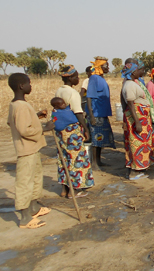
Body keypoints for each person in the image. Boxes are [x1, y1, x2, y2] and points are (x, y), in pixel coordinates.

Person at [8, 73, 54, 229]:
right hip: (26, 150)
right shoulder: (20, 106)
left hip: (32, 149)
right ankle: (25, 218)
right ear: (21, 86)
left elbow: (13, 122)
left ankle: (34, 208)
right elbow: (24, 129)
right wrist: (44, 128)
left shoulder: (17, 104)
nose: (31, 86)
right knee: (25, 183)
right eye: (29, 83)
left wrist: (35, 116)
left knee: (35, 178)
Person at [54, 65, 94, 198]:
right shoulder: (73, 93)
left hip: (61, 131)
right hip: (72, 130)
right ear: (70, 78)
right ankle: (74, 190)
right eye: (76, 76)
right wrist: (85, 129)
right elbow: (78, 114)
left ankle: (64, 189)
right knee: (75, 158)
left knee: (63, 157)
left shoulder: (59, 91)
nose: (78, 79)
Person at [121, 63, 154, 180]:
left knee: (142, 143)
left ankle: (138, 168)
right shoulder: (129, 85)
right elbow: (130, 103)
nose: (142, 72)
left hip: (141, 118)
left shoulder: (132, 83)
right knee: (138, 144)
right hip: (137, 119)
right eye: (140, 70)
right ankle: (135, 171)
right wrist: (137, 122)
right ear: (133, 72)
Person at [86, 56, 115, 170]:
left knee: (100, 139)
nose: (108, 67)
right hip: (96, 113)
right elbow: (89, 97)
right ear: (99, 66)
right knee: (95, 139)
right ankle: (94, 163)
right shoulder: (94, 78)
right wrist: (91, 115)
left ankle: (98, 160)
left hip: (102, 112)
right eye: (106, 65)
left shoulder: (101, 78)